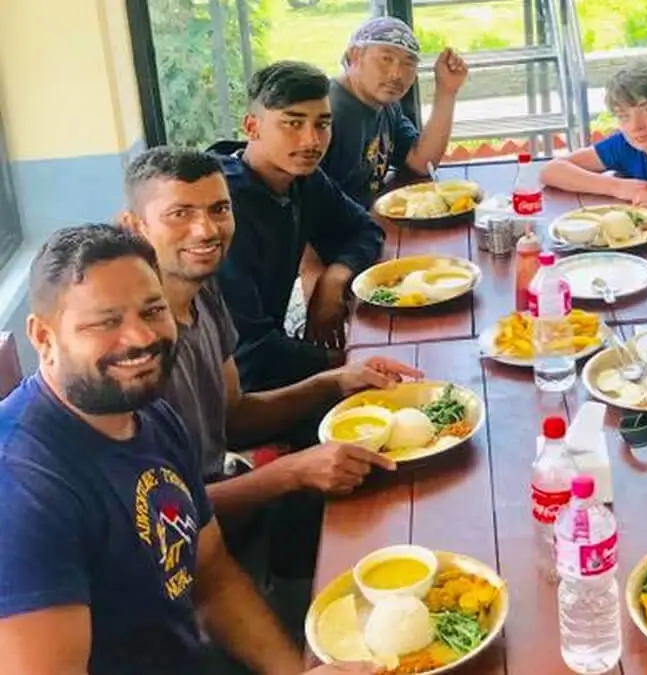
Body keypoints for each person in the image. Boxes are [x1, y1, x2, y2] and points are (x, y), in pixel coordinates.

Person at [0, 225, 377, 675]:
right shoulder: (22, 492)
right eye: (106, 321)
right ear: (43, 338)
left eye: (152, 310)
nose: (140, 338)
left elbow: (212, 577)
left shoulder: (151, 414)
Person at [120, 147, 416, 547]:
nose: (205, 230)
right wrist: (291, 472)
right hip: (179, 545)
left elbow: (234, 418)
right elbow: (161, 513)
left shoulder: (204, 294)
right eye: (180, 214)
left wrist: (334, 381)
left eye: (219, 209)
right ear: (135, 226)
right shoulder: (130, 350)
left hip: (222, 488)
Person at [215, 61, 384, 393]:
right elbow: (250, 351)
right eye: (292, 123)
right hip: (234, 392)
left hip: (275, 353)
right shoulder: (222, 210)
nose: (311, 140)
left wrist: (332, 280)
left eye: (322, 124)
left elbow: (366, 230)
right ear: (252, 127)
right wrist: (340, 361)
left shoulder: (302, 180)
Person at [540, 62, 647, 249]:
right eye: (624, 116)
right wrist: (619, 187)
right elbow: (551, 170)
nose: (636, 126)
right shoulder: (625, 146)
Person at [322, 16, 469, 208]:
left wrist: (446, 91)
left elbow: (423, 163)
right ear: (355, 56)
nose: (396, 73)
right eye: (386, 58)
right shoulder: (325, 111)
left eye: (408, 63)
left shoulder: (387, 105)